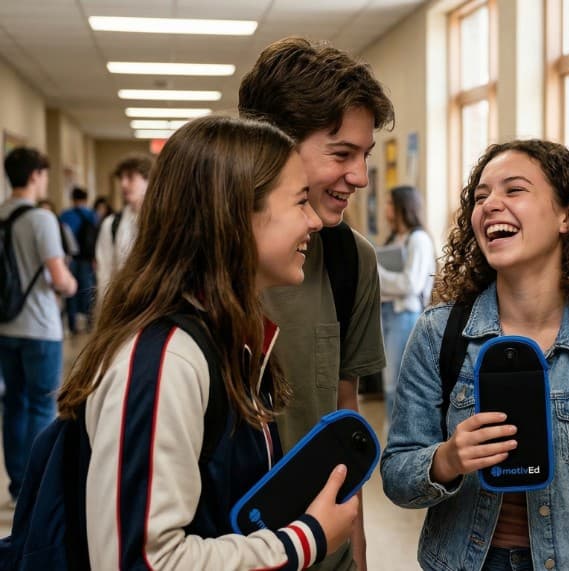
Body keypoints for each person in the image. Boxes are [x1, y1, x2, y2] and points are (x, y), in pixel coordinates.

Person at [56, 115, 360, 569]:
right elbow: (143, 560)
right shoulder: (165, 361)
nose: (314, 220)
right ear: (237, 216)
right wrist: (303, 540)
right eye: (299, 202)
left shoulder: (230, 343)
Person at [381, 140, 569, 571]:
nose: (490, 204)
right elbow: (398, 475)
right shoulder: (440, 333)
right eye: (480, 197)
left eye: (514, 190)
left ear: (566, 215)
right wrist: (447, 460)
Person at [239, 36, 395, 571]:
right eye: (342, 153)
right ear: (274, 146)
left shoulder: (352, 261)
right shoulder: (196, 259)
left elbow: (343, 418)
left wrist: (357, 560)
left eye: (365, 155)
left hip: (321, 550)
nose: (361, 177)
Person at [0, 147, 77, 503]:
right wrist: (73, 286)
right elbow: (60, 278)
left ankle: (17, 486)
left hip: (6, 326)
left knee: (13, 404)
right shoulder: (41, 219)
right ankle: (36, 489)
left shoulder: (2, 215)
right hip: (41, 328)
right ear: (35, 175)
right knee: (42, 406)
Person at [377, 185, 435, 422]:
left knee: (397, 384)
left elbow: (411, 284)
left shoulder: (418, 239)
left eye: (389, 203)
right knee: (388, 384)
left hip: (406, 316)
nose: (385, 209)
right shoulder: (394, 238)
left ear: (403, 206)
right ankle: (392, 436)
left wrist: (378, 274)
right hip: (388, 312)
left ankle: (398, 440)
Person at [95, 153, 151, 303]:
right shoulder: (112, 224)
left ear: (148, 180)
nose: (123, 184)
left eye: (131, 177)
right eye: (121, 178)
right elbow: (104, 274)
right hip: (121, 308)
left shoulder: (165, 222)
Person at [60, 186, 98, 333]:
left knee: (71, 292)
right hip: (87, 258)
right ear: (86, 199)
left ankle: (72, 323)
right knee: (87, 288)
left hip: (71, 258)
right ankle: (89, 321)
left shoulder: (65, 215)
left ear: (72, 199)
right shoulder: (92, 215)